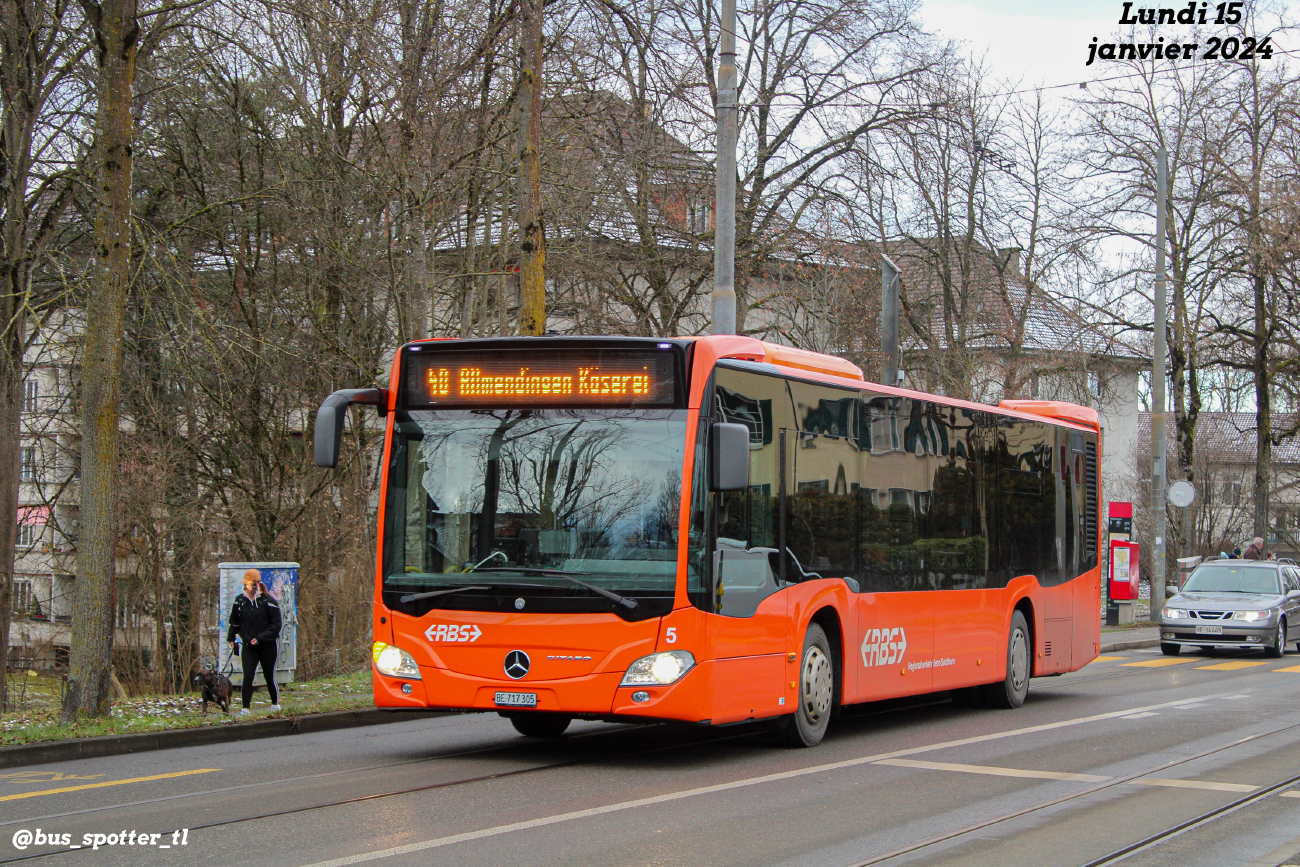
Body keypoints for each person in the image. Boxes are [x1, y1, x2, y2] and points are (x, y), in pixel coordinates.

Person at [227, 569, 283, 714]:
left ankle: (275, 703)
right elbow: (234, 622)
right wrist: (231, 638)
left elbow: (276, 625)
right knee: (248, 676)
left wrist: (260, 638)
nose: (247, 587)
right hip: (248, 646)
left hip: (267, 646)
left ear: (258, 584)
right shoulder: (239, 601)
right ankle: (245, 708)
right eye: (245, 584)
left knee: (268, 675)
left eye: (250, 584)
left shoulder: (269, 602)